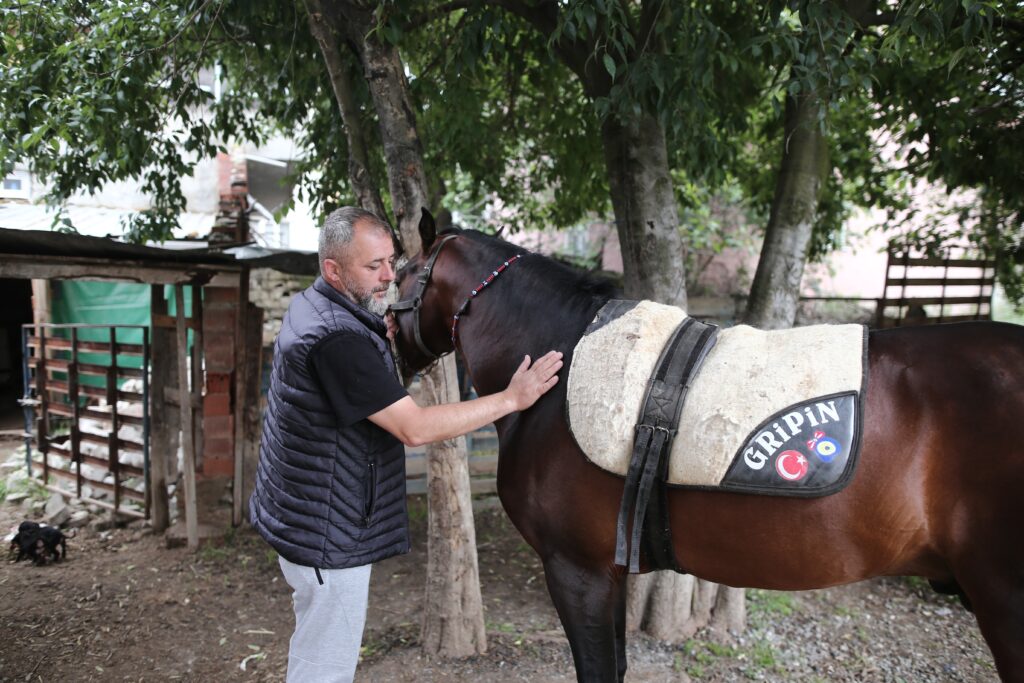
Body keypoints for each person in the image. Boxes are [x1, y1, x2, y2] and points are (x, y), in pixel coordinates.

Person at [249, 206, 563, 682]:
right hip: (326, 536)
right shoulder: (337, 338)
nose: (388, 277)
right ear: (332, 269)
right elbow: (414, 428)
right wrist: (511, 398)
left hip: (304, 515)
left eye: (390, 261)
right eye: (372, 267)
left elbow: (354, 385)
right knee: (324, 668)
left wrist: (379, 338)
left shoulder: (316, 307)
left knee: (315, 646)